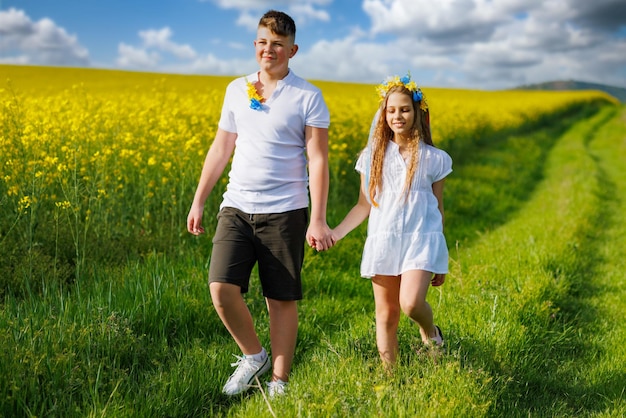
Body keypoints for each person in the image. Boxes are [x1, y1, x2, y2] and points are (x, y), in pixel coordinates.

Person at [187, 10, 333, 397]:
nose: (270, 50)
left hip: (286, 210)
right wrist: (199, 200)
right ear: (255, 45)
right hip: (235, 205)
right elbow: (222, 148)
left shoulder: (308, 96)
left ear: (293, 50)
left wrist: (317, 219)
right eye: (263, 43)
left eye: (279, 45)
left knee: (280, 297)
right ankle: (254, 356)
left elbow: (318, 160)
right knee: (221, 287)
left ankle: (279, 380)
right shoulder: (237, 88)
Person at [329, 73, 452, 369]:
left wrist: (439, 258)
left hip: (421, 240)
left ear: (417, 113)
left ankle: (430, 332)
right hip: (384, 240)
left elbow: (437, 208)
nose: (398, 115)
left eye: (405, 109)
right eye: (391, 110)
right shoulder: (372, 157)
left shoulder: (434, 158)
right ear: (383, 114)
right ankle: (390, 378)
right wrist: (336, 233)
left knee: (410, 304)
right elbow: (363, 205)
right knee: (386, 314)